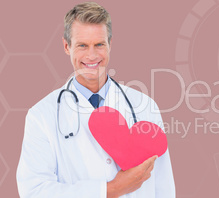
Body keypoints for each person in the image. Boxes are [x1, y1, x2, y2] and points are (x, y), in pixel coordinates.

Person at [16, 2, 175, 197]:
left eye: (99, 44)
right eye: (82, 45)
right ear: (67, 46)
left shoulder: (144, 106)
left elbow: (164, 187)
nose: (92, 55)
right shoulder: (41, 115)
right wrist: (110, 190)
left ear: (110, 45)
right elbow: (33, 191)